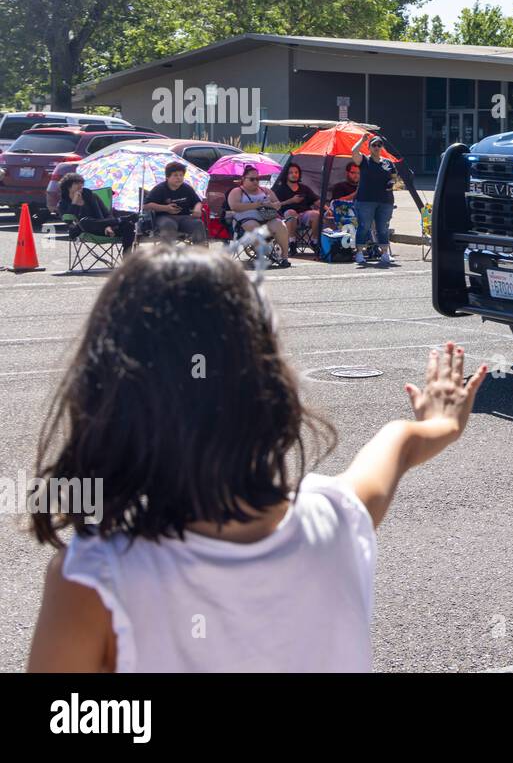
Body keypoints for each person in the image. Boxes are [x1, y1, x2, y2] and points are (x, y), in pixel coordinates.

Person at [26, 248, 488, 671]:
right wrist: (442, 423)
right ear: (267, 385)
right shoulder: (340, 516)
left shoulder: (95, 581)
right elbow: (400, 443)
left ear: (106, 391)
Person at [227, 164, 291, 269]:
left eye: (257, 179)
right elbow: (234, 206)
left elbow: (278, 205)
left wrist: (273, 205)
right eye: (252, 179)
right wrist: (257, 204)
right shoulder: (237, 191)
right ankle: (266, 254)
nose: (255, 182)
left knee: (280, 224)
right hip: (245, 222)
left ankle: (284, 257)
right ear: (243, 179)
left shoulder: (265, 190)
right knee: (254, 226)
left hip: (267, 219)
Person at [350, 134, 397, 268]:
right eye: (374, 145)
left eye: (379, 145)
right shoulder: (364, 160)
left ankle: (384, 253)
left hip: (385, 200)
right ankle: (359, 253)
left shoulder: (388, 163)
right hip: (365, 200)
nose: (376, 147)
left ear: (382, 147)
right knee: (364, 226)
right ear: (369, 147)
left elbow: (394, 178)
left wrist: (392, 182)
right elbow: (354, 152)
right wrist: (362, 140)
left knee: (383, 228)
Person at [58, 173, 136, 252]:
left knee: (128, 225)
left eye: (81, 183)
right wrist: (74, 202)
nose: (80, 185)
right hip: (82, 231)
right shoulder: (63, 203)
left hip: (103, 230)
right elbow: (67, 220)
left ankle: (127, 256)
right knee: (85, 221)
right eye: (76, 183)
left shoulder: (90, 195)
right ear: (68, 187)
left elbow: (106, 213)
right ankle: (120, 219)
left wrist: (107, 226)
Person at [142, 161, 207, 243]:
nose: (179, 178)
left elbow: (197, 202)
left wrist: (197, 209)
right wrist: (166, 208)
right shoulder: (159, 189)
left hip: (184, 217)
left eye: (181, 175)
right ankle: (168, 252)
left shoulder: (187, 188)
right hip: (164, 217)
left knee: (198, 224)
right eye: (175, 175)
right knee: (168, 225)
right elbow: (146, 205)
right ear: (167, 177)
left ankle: (200, 252)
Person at [271, 163, 320, 253]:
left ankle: (315, 241)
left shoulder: (304, 188)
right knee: (291, 212)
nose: (294, 174)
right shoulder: (280, 189)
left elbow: (316, 200)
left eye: (296, 172)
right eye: (291, 173)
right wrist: (291, 201)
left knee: (316, 214)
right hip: (285, 217)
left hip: (303, 215)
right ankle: (292, 242)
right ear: (286, 175)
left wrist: (328, 209)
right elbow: (275, 205)